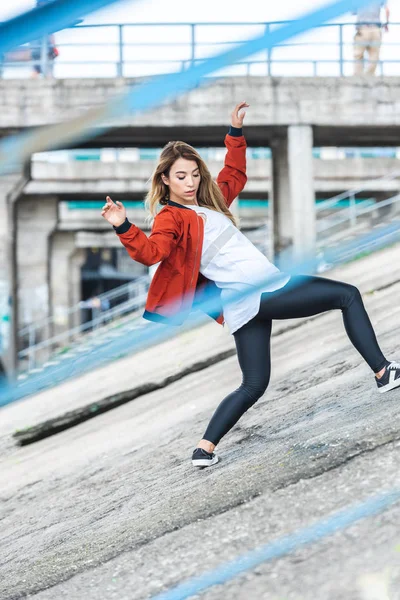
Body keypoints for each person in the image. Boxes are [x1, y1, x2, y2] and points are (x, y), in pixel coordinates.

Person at [101, 101, 400, 469]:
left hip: (244, 302)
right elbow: (151, 253)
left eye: (194, 174)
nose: (190, 183)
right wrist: (122, 225)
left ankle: (203, 448)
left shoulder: (207, 205)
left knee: (254, 384)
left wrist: (235, 133)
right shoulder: (171, 218)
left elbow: (234, 174)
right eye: (180, 176)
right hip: (260, 289)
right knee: (348, 295)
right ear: (164, 179)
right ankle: (384, 372)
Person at [353, 1, 390, 75]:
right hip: (376, 29)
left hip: (362, 29)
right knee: (374, 54)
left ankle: (358, 76)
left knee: (358, 54)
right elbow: (387, 10)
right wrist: (386, 23)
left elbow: (353, 11)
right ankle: (370, 75)